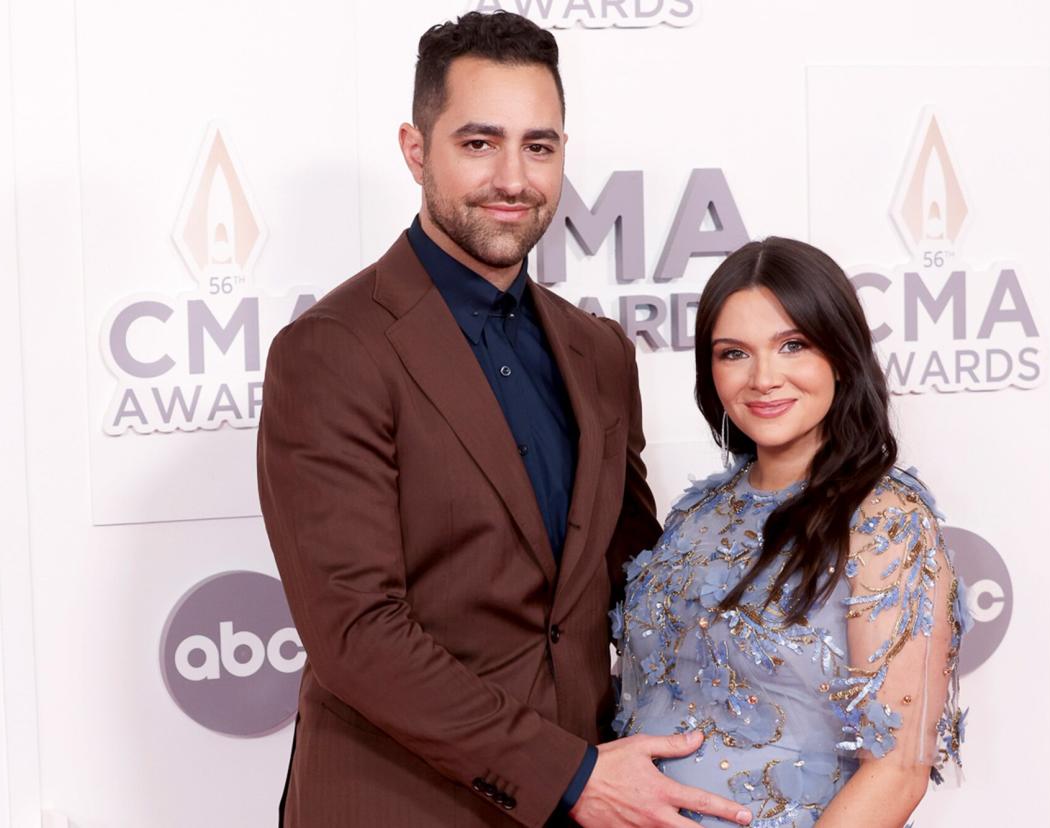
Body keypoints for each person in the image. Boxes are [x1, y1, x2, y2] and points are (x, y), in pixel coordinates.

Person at [257, 11, 753, 827]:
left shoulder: (597, 350)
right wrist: (569, 776)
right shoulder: (332, 352)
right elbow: (356, 633)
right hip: (399, 801)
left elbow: (631, 575)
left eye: (540, 146)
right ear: (417, 150)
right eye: (479, 143)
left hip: (587, 797)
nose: (514, 179)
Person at [611, 237, 970, 827]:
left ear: (840, 354)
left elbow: (898, 768)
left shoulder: (886, 522)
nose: (763, 378)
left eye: (792, 345)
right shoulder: (698, 511)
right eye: (734, 353)